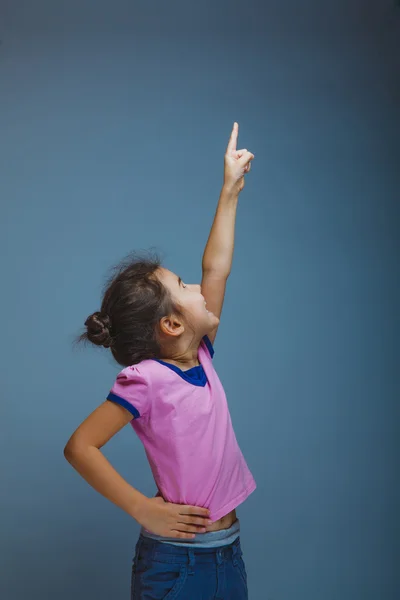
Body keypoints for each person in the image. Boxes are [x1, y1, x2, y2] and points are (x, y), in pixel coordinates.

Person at [64, 122, 256, 599]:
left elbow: (217, 265)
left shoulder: (201, 354)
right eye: (185, 287)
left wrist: (229, 190)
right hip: (179, 561)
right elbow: (80, 446)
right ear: (171, 325)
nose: (200, 286)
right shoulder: (146, 380)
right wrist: (140, 508)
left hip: (227, 553)